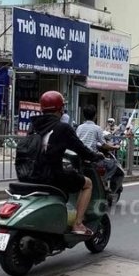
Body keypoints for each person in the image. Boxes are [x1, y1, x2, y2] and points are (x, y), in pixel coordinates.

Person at [28, 91, 102, 236]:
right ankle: (78, 224)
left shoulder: (33, 126)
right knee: (87, 184)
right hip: (52, 176)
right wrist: (95, 156)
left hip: (29, 174)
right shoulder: (63, 128)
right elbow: (81, 149)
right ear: (60, 109)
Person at [76, 105, 120, 186]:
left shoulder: (79, 127)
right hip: (92, 157)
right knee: (113, 164)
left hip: (80, 157)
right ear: (95, 115)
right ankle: (103, 181)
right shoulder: (97, 128)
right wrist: (115, 147)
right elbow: (104, 145)